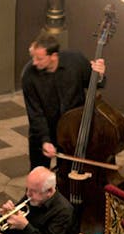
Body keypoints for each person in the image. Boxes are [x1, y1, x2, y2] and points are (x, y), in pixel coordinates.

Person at [22, 33, 106, 169]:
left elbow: (94, 83)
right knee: (38, 172)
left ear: (54, 56)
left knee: (68, 171)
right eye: (33, 57)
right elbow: (35, 113)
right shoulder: (29, 75)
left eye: (39, 58)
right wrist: (44, 140)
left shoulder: (76, 61)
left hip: (72, 131)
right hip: (44, 129)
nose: (34, 62)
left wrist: (99, 74)